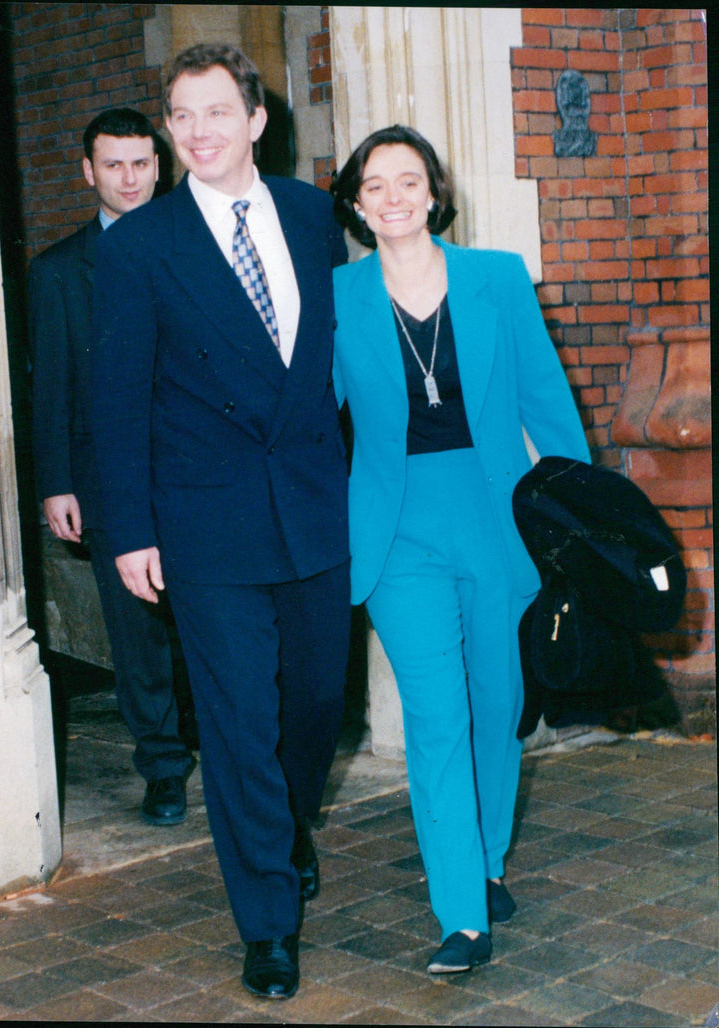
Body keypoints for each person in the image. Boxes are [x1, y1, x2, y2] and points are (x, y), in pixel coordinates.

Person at [89, 45, 350, 1000]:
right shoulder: (138, 246)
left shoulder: (311, 215)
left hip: (317, 505)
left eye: (213, 112)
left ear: (255, 120)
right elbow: (116, 399)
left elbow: (341, 357)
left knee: (321, 699)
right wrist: (130, 529)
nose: (195, 132)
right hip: (205, 521)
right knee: (238, 720)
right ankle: (269, 922)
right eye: (180, 116)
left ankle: (284, 828)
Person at [330, 125, 591, 975]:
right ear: (357, 204)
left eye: (410, 181)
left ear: (435, 194)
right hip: (397, 526)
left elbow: (546, 406)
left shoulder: (496, 278)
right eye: (377, 185)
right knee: (437, 716)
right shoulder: (337, 298)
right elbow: (303, 427)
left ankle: (485, 859)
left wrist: (577, 523)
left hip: (497, 518)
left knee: (498, 702)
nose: (395, 197)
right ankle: (462, 916)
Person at [29, 107, 197, 829]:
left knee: (212, 618)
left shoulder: (197, 250)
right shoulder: (59, 272)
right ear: (88, 172)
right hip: (105, 478)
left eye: (141, 162)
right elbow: (51, 382)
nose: (129, 178)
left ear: (160, 166)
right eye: (113, 165)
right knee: (137, 628)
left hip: (197, 470)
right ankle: (163, 765)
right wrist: (55, 481)